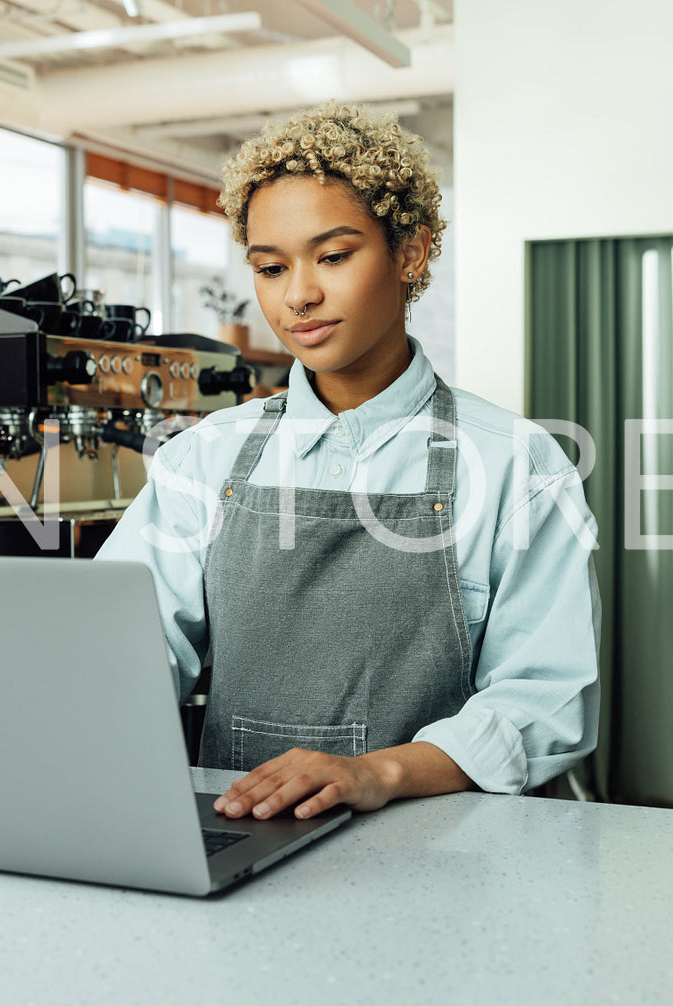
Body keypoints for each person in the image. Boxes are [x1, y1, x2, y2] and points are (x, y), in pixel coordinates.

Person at [95, 102, 600, 823]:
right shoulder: (203, 459)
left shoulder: (517, 466)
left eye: (332, 256)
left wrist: (379, 772)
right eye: (270, 267)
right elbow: (124, 647)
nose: (297, 294)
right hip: (243, 831)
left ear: (411, 252)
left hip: (447, 850)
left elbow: (546, 698)